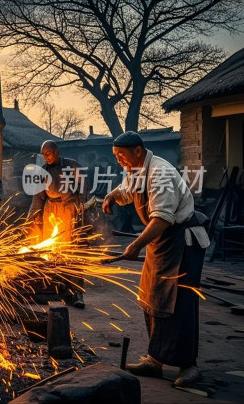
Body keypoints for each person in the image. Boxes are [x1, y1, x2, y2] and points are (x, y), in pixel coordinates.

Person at [102, 131, 208, 387]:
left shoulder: (160, 172)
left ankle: (188, 366)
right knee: (152, 298)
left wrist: (136, 245)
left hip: (180, 242)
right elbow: (127, 189)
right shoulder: (137, 170)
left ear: (138, 151)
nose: (119, 161)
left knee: (179, 303)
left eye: (122, 155)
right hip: (159, 242)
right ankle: (155, 358)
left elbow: (162, 218)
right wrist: (112, 196)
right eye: (116, 157)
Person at [27, 140, 87, 308]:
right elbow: (37, 198)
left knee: (69, 250)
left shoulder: (71, 166)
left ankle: (76, 292)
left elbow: (83, 185)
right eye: (44, 154)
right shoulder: (43, 172)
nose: (46, 157)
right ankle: (54, 289)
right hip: (50, 210)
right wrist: (34, 216)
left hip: (68, 208)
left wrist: (81, 203)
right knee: (51, 250)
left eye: (49, 154)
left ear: (56, 152)